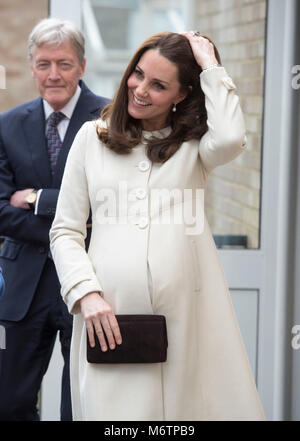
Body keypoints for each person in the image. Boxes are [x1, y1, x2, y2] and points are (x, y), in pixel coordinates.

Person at [50, 31, 265, 421]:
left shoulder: (195, 147)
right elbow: (65, 230)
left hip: (186, 319)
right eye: (138, 74)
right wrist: (86, 294)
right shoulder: (90, 139)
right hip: (110, 319)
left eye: (159, 85)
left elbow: (232, 138)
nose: (141, 89)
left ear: (183, 94)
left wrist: (210, 66)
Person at [0, 18, 109, 421]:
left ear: (81, 66)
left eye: (64, 64)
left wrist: (36, 199)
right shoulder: (8, 124)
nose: (53, 75)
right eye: (44, 64)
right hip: (23, 288)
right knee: (8, 402)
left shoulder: (111, 120)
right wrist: (68, 225)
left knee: (79, 405)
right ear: (31, 66)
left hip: (87, 282)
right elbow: (0, 210)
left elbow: (110, 203)